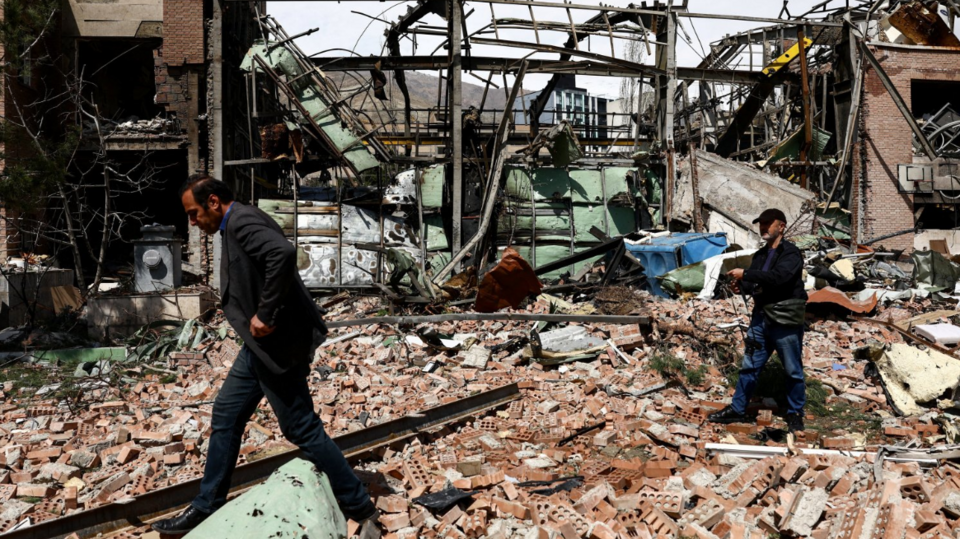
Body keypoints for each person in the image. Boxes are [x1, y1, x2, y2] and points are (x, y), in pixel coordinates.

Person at [153, 175, 377, 533]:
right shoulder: (237, 221)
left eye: (194, 213)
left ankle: (359, 505)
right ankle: (207, 504)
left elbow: (282, 254)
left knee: (301, 427)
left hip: (277, 343)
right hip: (258, 347)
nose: (192, 222)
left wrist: (265, 313)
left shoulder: (241, 221)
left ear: (213, 202)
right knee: (227, 414)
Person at [708, 208, 808, 433]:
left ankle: (795, 413)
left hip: (785, 320)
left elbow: (779, 278)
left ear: (781, 226)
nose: (763, 227)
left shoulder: (791, 254)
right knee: (749, 367)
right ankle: (738, 409)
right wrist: (741, 286)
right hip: (761, 319)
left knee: (792, 370)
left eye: (768, 223)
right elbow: (754, 283)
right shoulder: (760, 255)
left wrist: (746, 275)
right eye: (761, 223)